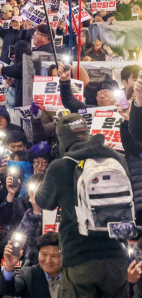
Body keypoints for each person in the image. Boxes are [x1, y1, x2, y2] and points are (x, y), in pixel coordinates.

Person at [35, 114, 128, 297]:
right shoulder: (117, 159)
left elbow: (43, 201)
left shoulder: (60, 166)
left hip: (79, 258)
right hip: (116, 257)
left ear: (61, 140)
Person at [0, 232, 62, 298]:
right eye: (44, 255)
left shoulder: (71, 276)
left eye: (54, 256)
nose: (48, 260)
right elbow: (8, 290)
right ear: (38, 253)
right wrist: (9, 267)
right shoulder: (27, 275)